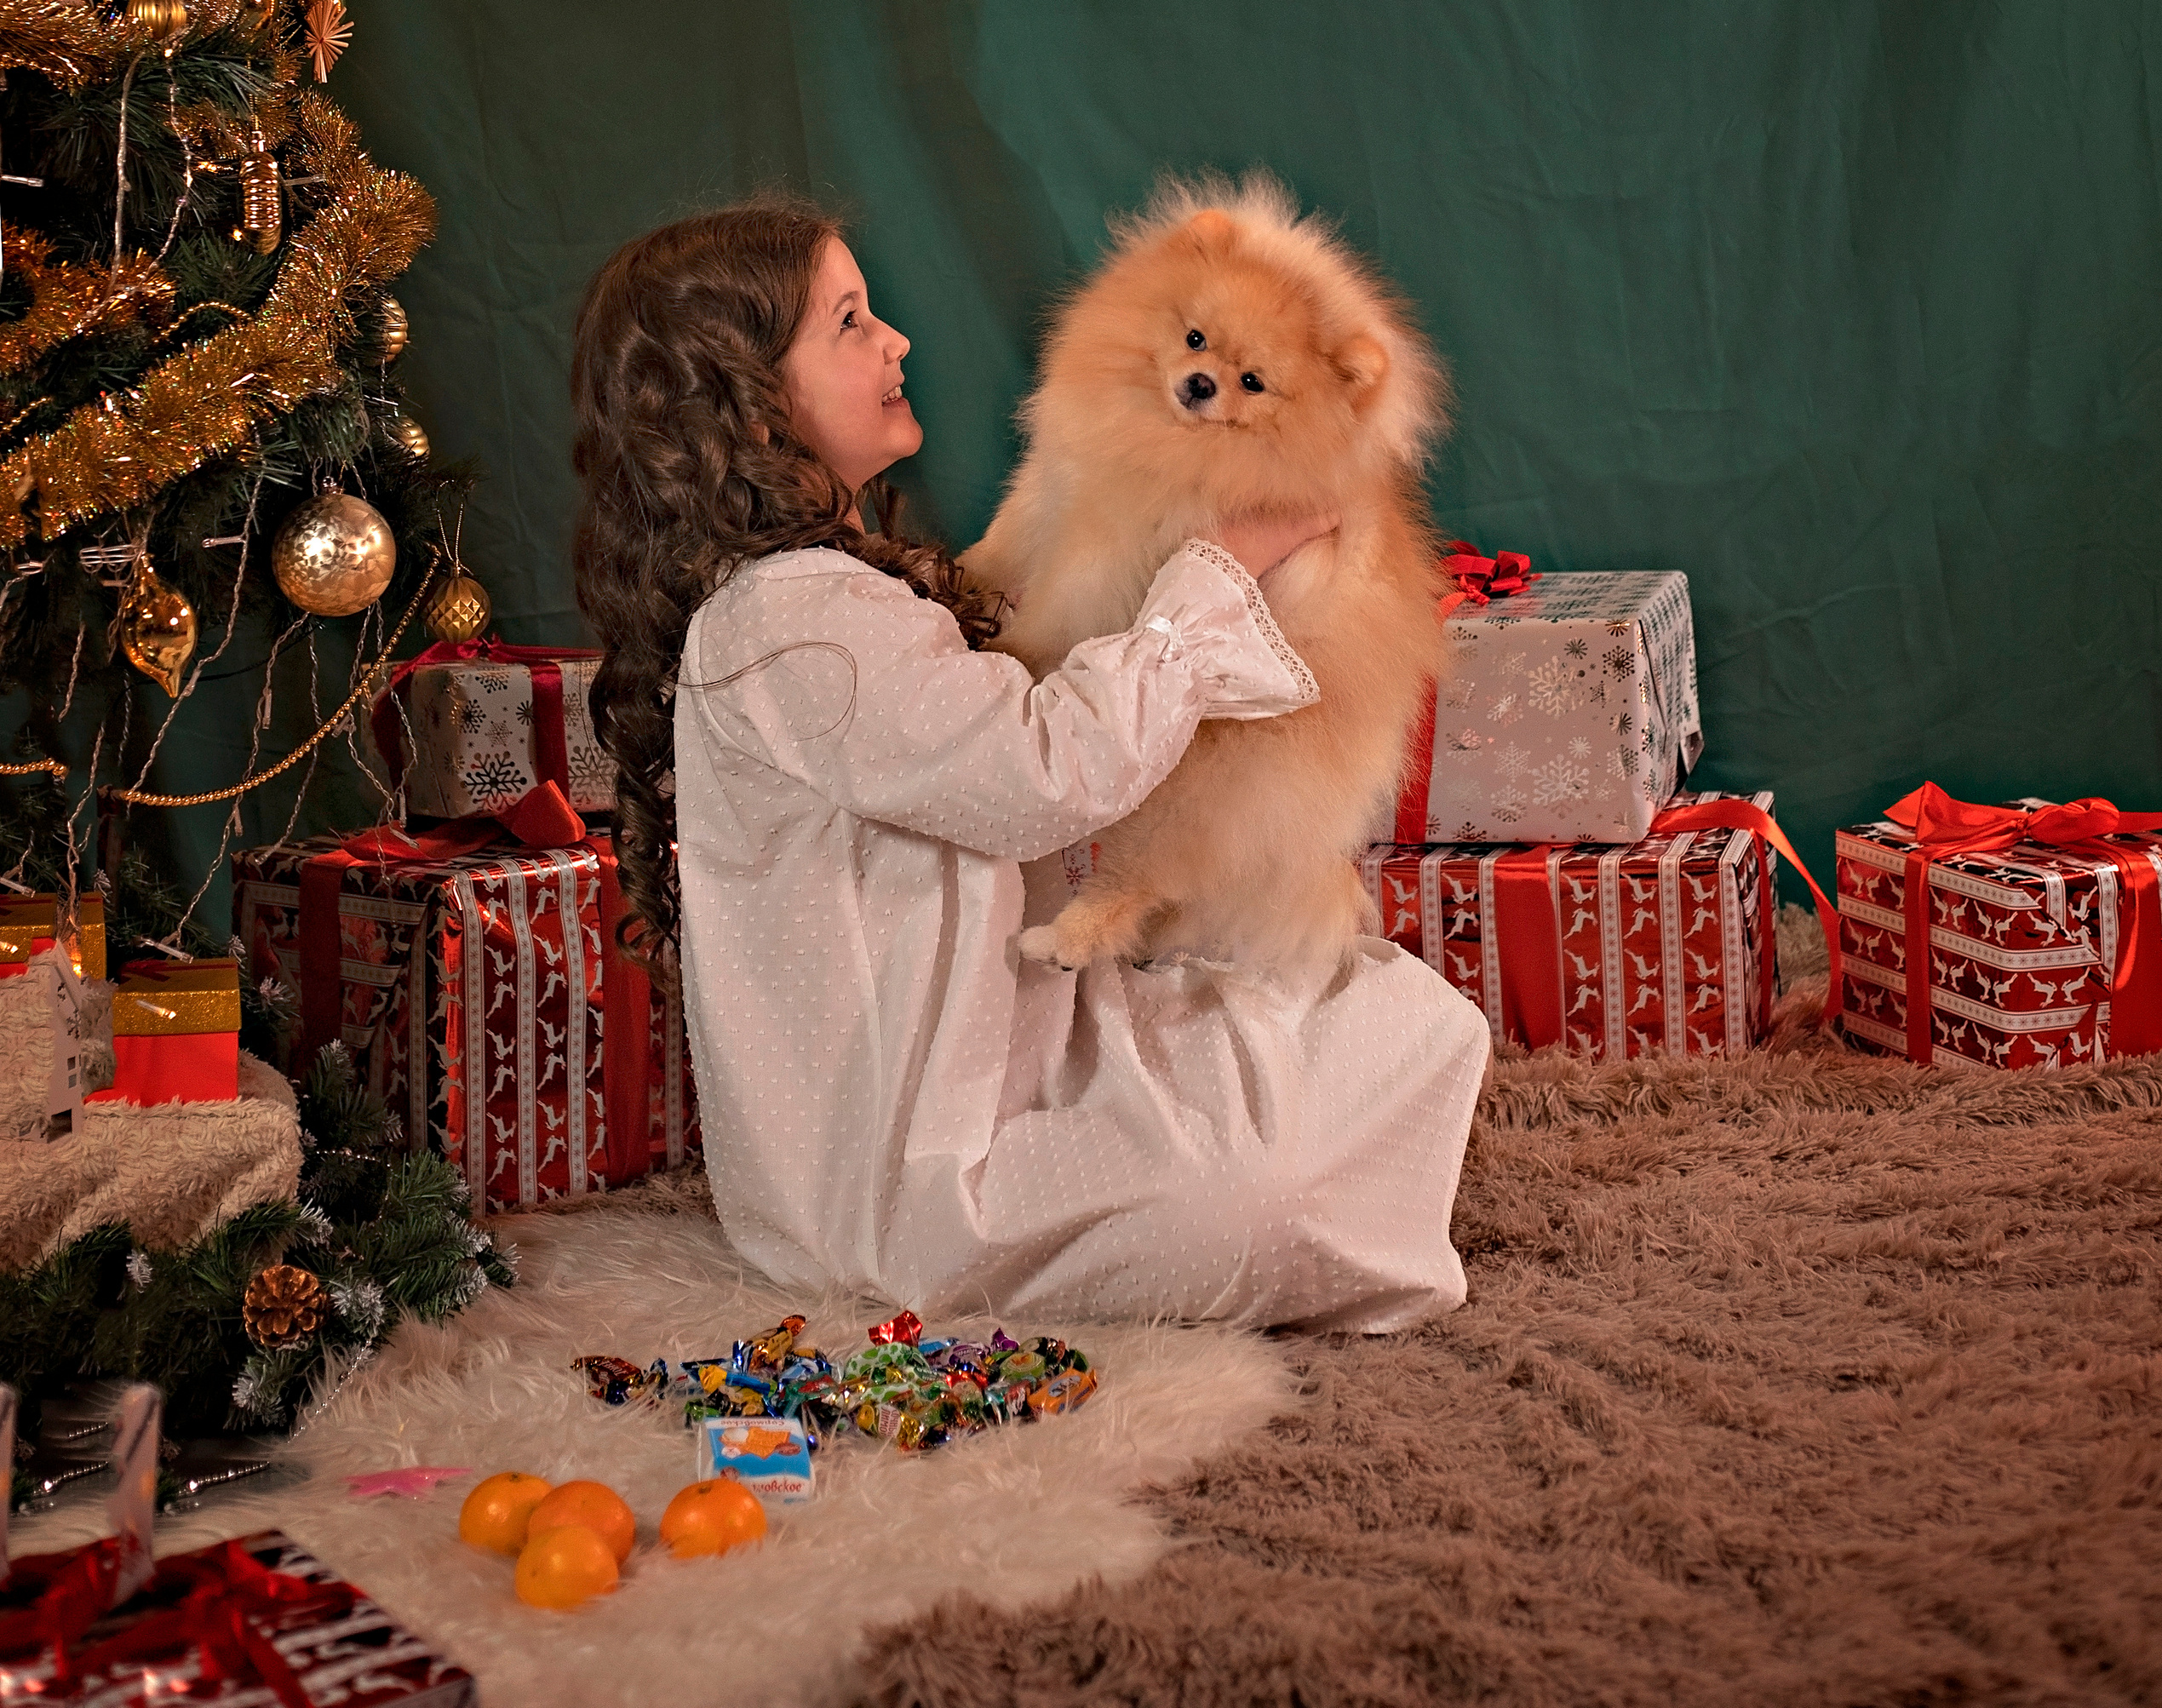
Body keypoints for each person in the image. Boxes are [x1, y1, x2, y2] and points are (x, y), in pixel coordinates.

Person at [571, 199, 1491, 1331]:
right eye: (851, 324)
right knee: (1269, 1197)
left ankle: (1207, 1120)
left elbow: (986, 680)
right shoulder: (792, 621)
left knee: (1397, 1024)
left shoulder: (816, 594)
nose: (896, 341)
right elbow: (1041, 772)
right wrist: (1215, 572)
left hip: (974, 1068)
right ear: (749, 400)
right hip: (904, 1183)